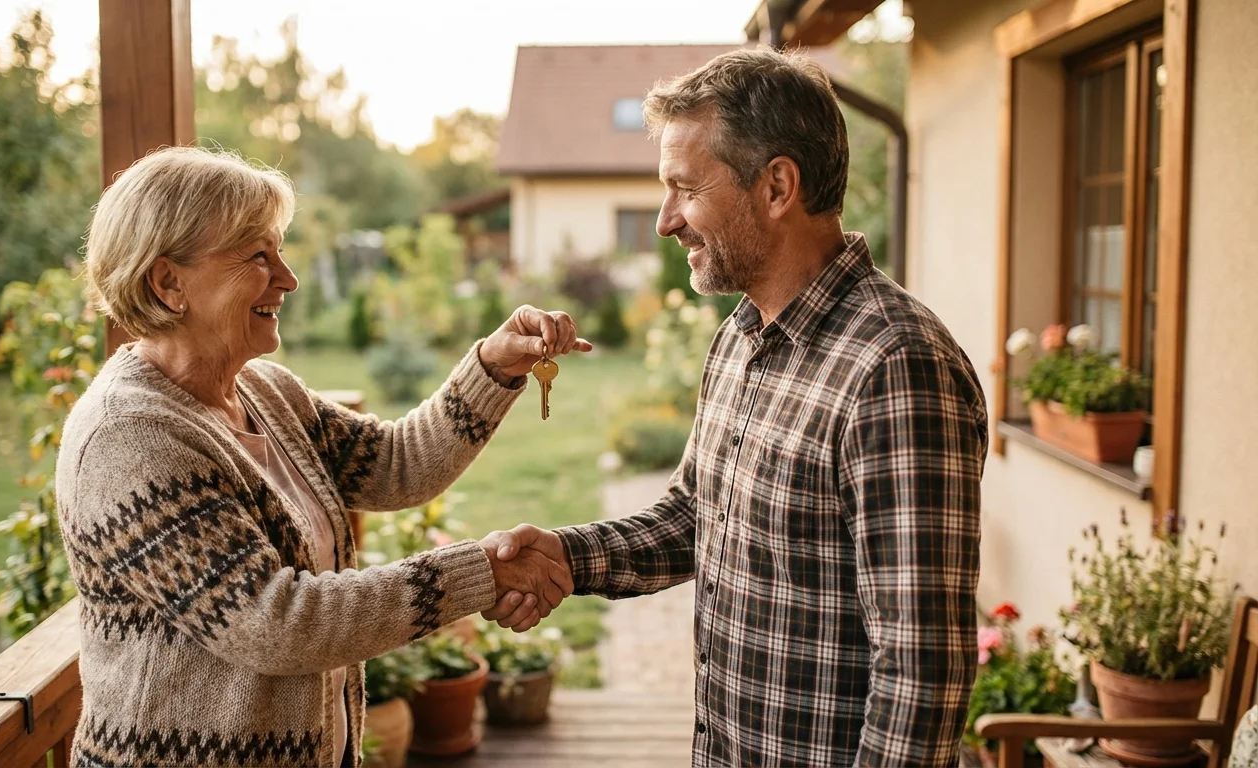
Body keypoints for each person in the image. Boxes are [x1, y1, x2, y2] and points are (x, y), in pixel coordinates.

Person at [482, 48, 989, 767]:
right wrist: (567, 555)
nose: (665, 222)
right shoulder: (740, 337)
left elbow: (921, 676)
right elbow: (696, 516)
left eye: (684, 189)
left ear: (778, 185)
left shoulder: (896, 369)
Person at [57, 146, 583, 768]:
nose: (287, 277)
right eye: (258, 255)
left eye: (279, 251)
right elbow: (278, 620)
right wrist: (478, 574)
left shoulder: (263, 390)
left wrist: (492, 368)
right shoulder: (130, 439)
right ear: (169, 282)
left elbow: (395, 465)